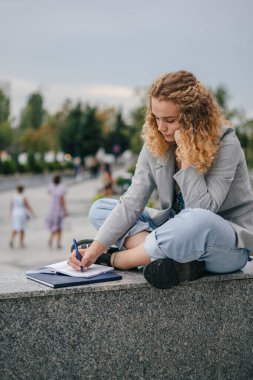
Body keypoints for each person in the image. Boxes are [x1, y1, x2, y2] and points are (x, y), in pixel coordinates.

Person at [68, 70, 253, 289]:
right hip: (175, 230)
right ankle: (178, 261)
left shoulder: (226, 144)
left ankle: (122, 258)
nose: (160, 127)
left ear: (193, 118)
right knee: (100, 209)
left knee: (196, 221)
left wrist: (187, 158)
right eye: (156, 118)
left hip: (225, 245)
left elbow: (201, 212)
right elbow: (132, 201)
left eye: (170, 120)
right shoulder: (157, 141)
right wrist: (96, 248)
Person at [45, 174, 68, 249]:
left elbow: (49, 192)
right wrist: (65, 210)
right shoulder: (61, 187)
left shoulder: (51, 186)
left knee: (53, 226)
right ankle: (58, 243)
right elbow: (62, 200)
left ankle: (51, 239)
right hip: (58, 210)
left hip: (51, 209)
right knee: (59, 227)